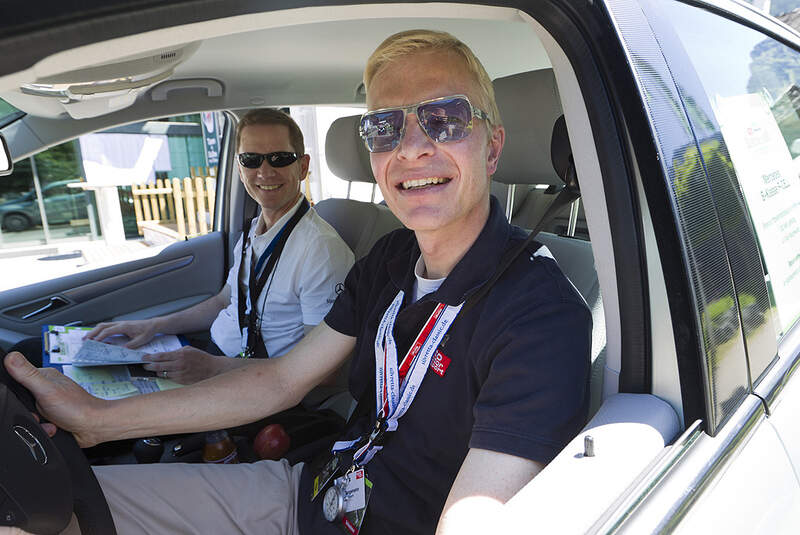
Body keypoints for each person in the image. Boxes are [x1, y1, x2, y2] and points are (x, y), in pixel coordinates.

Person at [4, 29, 591, 535]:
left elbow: (476, 517)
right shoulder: (389, 258)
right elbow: (281, 379)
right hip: (307, 492)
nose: (412, 147)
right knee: (46, 511)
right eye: (385, 128)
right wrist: (93, 418)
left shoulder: (539, 312)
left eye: (445, 120)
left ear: (492, 147)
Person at [82, 109, 355, 384]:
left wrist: (214, 369)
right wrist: (154, 326)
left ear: (303, 166)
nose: (265, 171)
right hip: (218, 357)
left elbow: (323, 371)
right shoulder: (255, 229)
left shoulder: (321, 249)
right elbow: (225, 301)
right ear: (239, 168)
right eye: (251, 160)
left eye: (280, 158)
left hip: (257, 384)